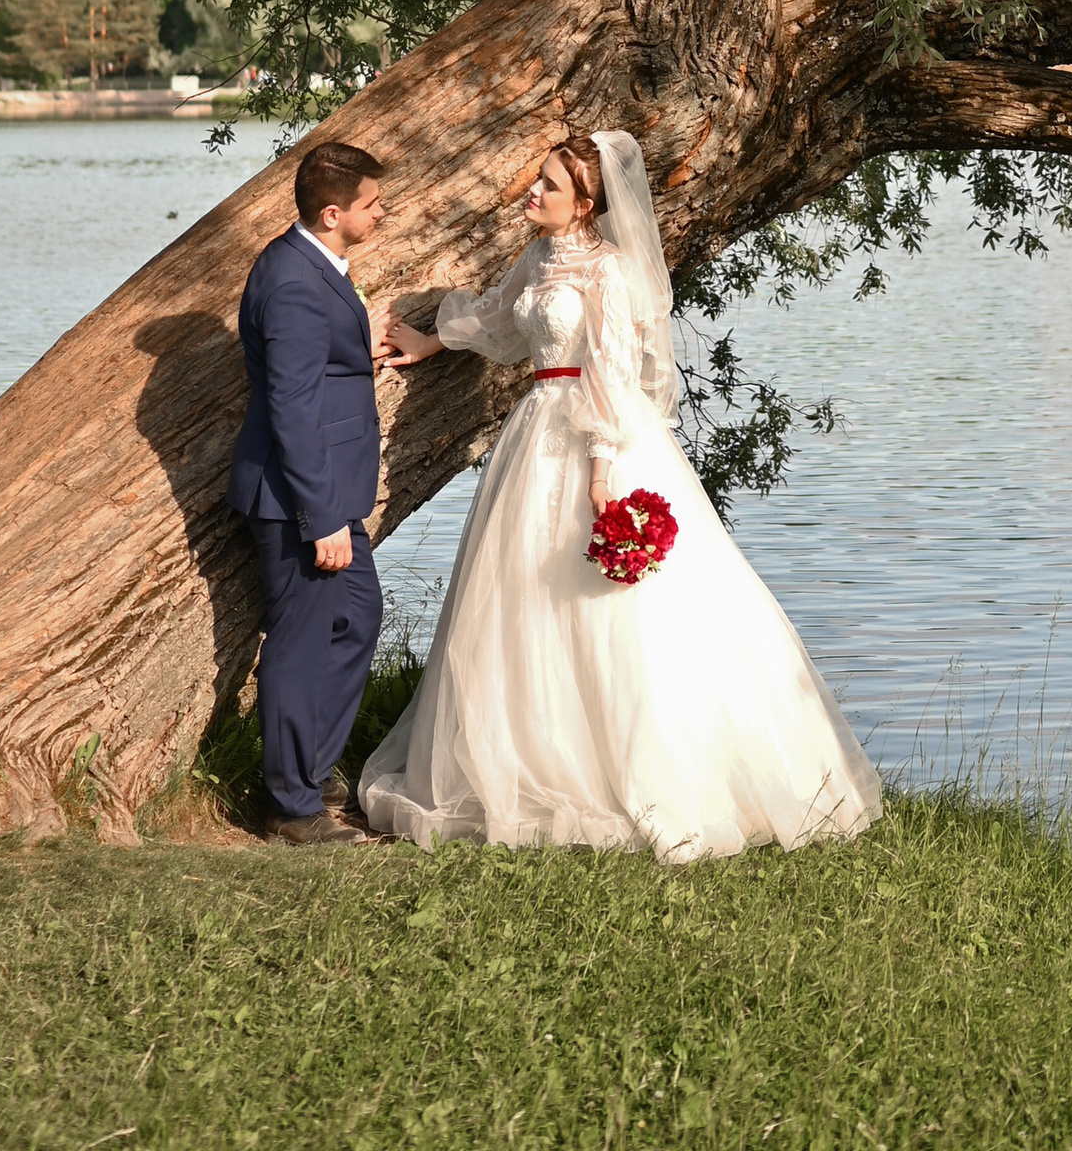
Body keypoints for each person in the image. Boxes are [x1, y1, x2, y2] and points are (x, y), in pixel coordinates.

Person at [365, 129, 881, 861]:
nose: (532, 193)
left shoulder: (607, 270)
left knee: (611, 607)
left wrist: (603, 470)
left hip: (592, 435)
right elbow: (496, 316)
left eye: (548, 185)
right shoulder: (540, 256)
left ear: (584, 204)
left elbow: (612, 370)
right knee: (520, 600)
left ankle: (639, 774)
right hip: (535, 431)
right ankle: (536, 761)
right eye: (536, 180)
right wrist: (430, 340)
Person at [226, 139, 389, 845]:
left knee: (357, 616)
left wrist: (360, 346)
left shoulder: (310, 263)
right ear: (332, 213)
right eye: (371, 205)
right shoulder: (293, 282)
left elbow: (316, 368)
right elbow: (291, 407)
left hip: (328, 492)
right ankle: (291, 809)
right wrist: (320, 517)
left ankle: (312, 767)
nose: (382, 212)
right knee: (298, 643)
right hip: (299, 499)